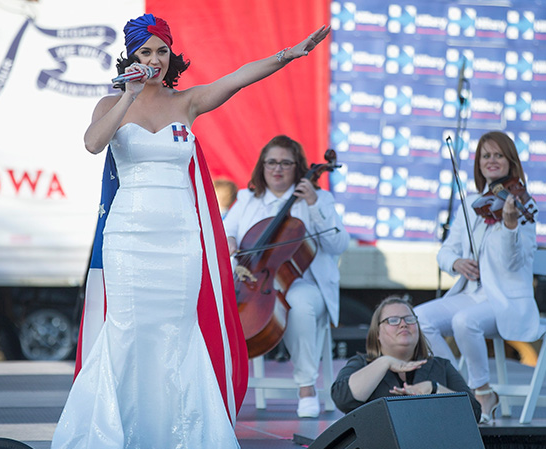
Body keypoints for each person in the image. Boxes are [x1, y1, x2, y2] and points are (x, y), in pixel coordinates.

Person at [47, 13, 331, 449]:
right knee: (126, 332)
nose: (155, 60)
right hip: (129, 235)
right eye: (145, 52)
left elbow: (238, 77)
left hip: (180, 237)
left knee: (177, 333)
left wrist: (289, 55)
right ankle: (118, 448)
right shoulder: (111, 103)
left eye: (162, 51)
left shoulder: (188, 102)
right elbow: (93, 144)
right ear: (131, 56)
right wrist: (128, 96)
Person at [415, 131, 539, 424]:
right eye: (486, 156)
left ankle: (482, 392)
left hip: (507, 300)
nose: (491, 160)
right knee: (418, 319)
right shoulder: (472, 205)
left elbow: (513, 263)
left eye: (498, 155)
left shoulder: (522, 205)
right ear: (479, 164)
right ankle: (458, 390)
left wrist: (510, 227)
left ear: (510, 162)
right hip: (471, 294)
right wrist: (457, 263)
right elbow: (445, 252)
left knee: (464, 321)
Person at [224, 135, 350, 417]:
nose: (277, 169)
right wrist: (230, 240)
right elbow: (226, 232)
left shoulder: (318, 198)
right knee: (218, 306)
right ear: (262, 166)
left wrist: (314, 204)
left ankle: (306, 387)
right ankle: (222, 387)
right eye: (271, 162)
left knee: (299, 305)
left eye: (285, 163)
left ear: (297, 166)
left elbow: (339, 244)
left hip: (307, 284)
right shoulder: (247, 199)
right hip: (254, 281)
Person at [331, 295, 481, 420]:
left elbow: (474, 412)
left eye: (409, 319)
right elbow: (342, 398)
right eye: (393, 320)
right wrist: (385, 362)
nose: (403, 324)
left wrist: (433, 389)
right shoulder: (362, 364)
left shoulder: (440, 366)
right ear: (377, 333)